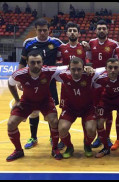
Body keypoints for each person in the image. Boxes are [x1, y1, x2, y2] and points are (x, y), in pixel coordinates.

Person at [6, 50, 67, 162]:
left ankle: (55, 149)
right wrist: (17, 100)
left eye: (38, 62)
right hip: (27, 101)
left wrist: (86, 67)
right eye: (33, 62)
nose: (36, 65)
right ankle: (18, 150)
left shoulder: (48, 70)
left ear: (42, 62)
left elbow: (67, 67)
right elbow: (10, 84)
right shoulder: (20, 74)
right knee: (11, 123)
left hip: (45, 101)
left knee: (54, 121)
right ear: (28, 63)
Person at [18, 18, 64, 150]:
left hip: (49, 82)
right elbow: (22, 62)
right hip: (31, 82)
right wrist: (19, 79)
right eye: (40, 30)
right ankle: (33, 137)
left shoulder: (56, 42)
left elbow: (67, 53)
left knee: (51, 111)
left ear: (49, 30)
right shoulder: (28, 43)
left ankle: (52, 136)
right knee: (33, 111)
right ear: (36, 30)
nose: (43, 33)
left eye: (45, 30)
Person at [55, 57, 104, 159]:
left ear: (83, 68)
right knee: (62, 129)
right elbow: (44, 69)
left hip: (88, 108)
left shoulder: (91, 74)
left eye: (79, 69)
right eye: (73, 69)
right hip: (70, 108)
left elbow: (106, 68)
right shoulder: (63, 75)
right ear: (69, 68)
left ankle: (87, 144)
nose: (76, 72)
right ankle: (69, 147)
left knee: (91, 129)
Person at [82, 20, 119, 148]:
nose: (101, 30)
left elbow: (117, 61)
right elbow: (87, 58)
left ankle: (107, 137)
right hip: (95, 81)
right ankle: (99, 137)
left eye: (104, 28)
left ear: (107, 30)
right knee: (98, 109)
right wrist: (87, 66)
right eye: (99, 28)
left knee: (108, 111)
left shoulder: (114, 44)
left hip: (109, 80)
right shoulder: (91, 43)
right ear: (96, 30)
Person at [93, 58, 119, 161]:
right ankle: (106, 148)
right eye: (110, 68)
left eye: (116, 68)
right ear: (106, 68)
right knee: (99, 123)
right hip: (106, 102)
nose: (113, 70)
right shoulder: (99, 78)